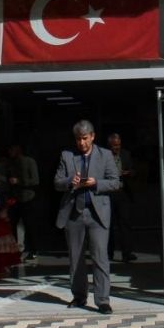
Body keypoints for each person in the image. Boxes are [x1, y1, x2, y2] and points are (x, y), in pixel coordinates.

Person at [54, 119, 121, 314]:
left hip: (97, 214)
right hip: (74, 213)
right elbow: (57, 182)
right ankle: (79, 296)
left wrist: (96, 183)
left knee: (100, 257)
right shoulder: (67, 156)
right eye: (78, 139)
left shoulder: (105, 155)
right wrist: (70, 181)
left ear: (92, 137)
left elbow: (115, 182)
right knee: (76, 258)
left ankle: (102, 300)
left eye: (84, 138)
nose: (81, 143)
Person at [1, 143, 40, 260]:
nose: (9, 152)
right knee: (13, 225)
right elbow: (7, 180)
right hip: (14, 199)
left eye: (11, 149)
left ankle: (33, 250)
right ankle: (15, 250)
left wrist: (19, 181)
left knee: (29, 225)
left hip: (28, 198)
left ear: (18, 149)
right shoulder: (10, 163)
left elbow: (35, 180)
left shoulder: (29, 161)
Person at [106, 133, 136, 263]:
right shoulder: (105, 156)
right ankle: (109, 252)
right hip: (109, 193)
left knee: (125, 223)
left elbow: (133, 170)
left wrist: (128, 173)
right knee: (109, 224)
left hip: (123, 192)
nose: (116, 148)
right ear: (110, 145)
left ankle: (127, 253)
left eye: (118, 145)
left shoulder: (125, 154)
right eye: (114, 146)